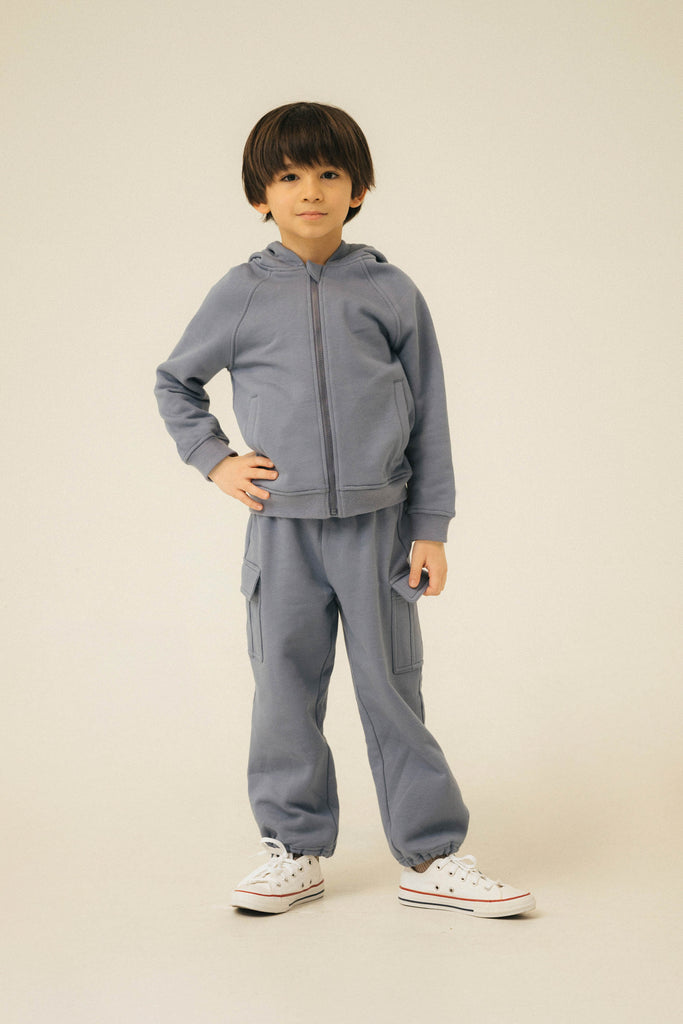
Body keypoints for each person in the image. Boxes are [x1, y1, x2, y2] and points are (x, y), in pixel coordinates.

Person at [154, 101, 535, 918]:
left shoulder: (389, 291)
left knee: (392, 690)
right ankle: (294, 850)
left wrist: (429, 528)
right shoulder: (240, 293)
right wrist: (215, 460)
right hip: (281, 534)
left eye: (329, 174)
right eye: (289, 176)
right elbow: (175, 382)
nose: (310, 191)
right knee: (283, 691)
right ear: (259, 195)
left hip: (380, 532)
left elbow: (429, 414)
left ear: (358, 188)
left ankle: (431, 856)